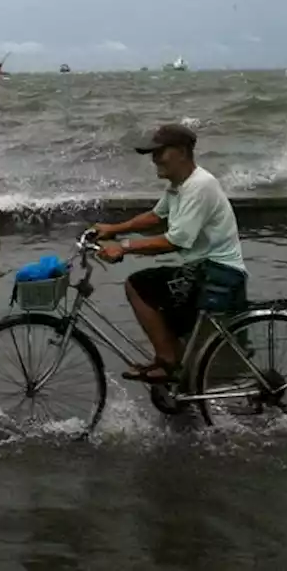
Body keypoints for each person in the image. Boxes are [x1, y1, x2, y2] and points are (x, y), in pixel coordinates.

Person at [91, 123, 247, 383]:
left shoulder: (199, 186)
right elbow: (155, 216)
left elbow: (174, 242)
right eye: (153, 153)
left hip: (217, 273)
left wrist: (124, 247)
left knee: (139, 285)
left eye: (161, 152)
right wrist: (113, 229)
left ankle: (167, 363)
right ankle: (180, 369)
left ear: (183, 152)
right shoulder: (179, 185)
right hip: (201, 268)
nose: (155, 159)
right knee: (160, 295)